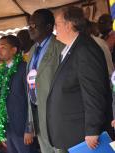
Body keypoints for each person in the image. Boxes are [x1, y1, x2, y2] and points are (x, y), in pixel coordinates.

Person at [46, 6, 113, 152]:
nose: (54, 29)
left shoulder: (84, 49)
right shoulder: (72, 48)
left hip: (84, 137)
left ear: (69, 25)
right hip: (72, 133)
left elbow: (94, 91)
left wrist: (92, 130)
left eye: (57, 24)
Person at [27, 9, 64, 153]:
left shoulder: (59, 47)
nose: (30, 28)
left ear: (49, 26)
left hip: (56, 115)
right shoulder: (32, 51)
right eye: (29, 25)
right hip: (37, 114)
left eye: (34, 25)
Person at [0, 35, 32, 153]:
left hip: (21, 127)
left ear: (14, 50)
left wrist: (29, 129)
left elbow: (31, 100)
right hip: (8, 127)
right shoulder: (2, 71)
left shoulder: (24, 68)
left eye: (3, 47)